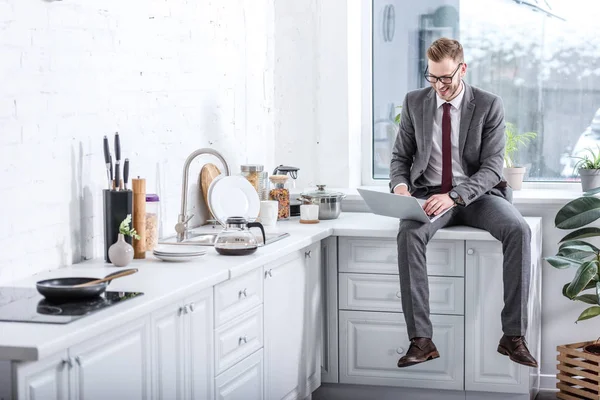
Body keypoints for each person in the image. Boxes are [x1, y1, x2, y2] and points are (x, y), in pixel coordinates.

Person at [390, 38, 537, 369]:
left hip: (477, 196)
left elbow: (491, 169)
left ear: (462, 69)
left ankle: (512, 336)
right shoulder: (415, 102)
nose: (439, 85)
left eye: (446, 78)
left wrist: (454, 196)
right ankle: (421, 340)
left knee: (518, 230)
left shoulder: (488, 104)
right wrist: (401, 188)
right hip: (427, 196)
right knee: (409, 234)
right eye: (432, 77)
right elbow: (401, 156)